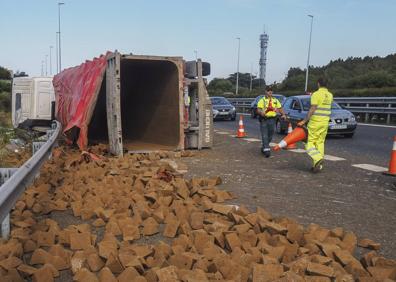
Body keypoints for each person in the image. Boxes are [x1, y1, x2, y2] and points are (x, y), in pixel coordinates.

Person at [297, 78, 333, 172]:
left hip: (315, 123)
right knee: (320, 142)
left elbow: (312, 109)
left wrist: (304, 121)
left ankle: (317, 158)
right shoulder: (330, 95)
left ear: (318, 84)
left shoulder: (316, 94)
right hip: (325, 123)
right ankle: (318, 166)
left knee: (308, 142)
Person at [257, 86, 287, 158]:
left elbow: (280, 108)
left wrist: (283, 114)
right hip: (264, 119)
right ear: (265, 91)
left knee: (270, 134)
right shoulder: (262, 100)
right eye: (268, 90)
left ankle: (264, 146)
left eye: (271, 90)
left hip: (272, 119)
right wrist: (261, 113)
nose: (270, 92)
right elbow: (258, 109)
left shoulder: (275, 100)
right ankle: (267, 150)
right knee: (264, 135)